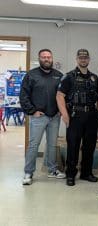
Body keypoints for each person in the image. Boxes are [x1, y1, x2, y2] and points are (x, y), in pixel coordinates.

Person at [20, 49, 65, 185]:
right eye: (44, 57)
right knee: (33, 145)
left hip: (54, 117)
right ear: (39, 59)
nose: (46, 59)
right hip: (38, 116)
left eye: (49, 57)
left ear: (52, 58)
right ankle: (28, 172)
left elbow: (64, 95)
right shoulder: (31, 75)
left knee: (52, 145)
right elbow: (24, 95)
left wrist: (61, 110)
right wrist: (32, 111)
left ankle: (52, 170)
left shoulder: (59, 75)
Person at [56, 49, 98, 186]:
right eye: (81, 58)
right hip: (75, 116)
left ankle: (86, 173)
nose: (83, 60)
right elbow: (59, 96)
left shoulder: (94, 78)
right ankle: (71, 174)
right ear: (77, 59)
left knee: (89, 146)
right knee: (73, 146)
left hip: (92, 116)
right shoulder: (68, 76)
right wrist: (64, 114)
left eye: (85, 58)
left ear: (89, 59)